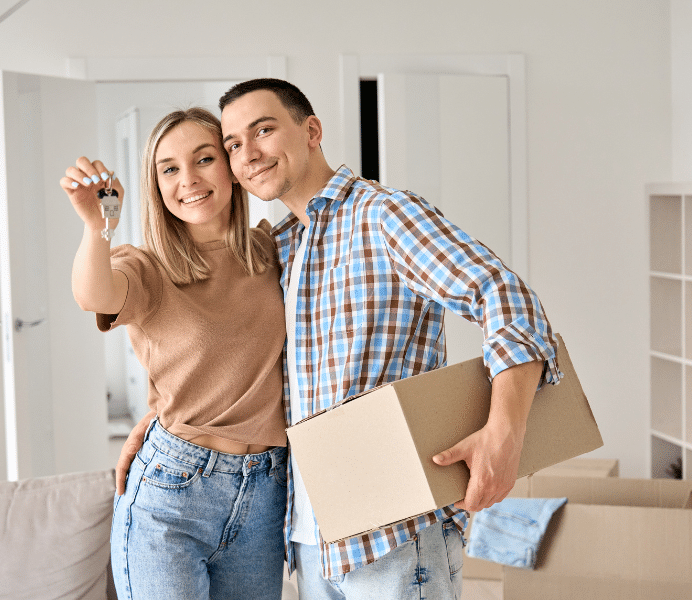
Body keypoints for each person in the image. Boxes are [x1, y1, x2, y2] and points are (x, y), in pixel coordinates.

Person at [120, 79, 561, 599]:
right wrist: (160, 419)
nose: (250, 153)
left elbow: (505, 298)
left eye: (264, 130)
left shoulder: (385, 216)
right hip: (310, 535)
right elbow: (237, 354)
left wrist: (503, 433)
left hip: (394, 531)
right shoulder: (278, 246)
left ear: (311, 131)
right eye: (234, 144)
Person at [60, 107, 289, 600]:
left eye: (204, 158)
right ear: (156, 184)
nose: (189, 179)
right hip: (173, 491)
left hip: (267, 491)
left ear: (231, 166)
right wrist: (98, 226)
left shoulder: (274, 251)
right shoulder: (148, 268)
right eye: (169, 168)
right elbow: (94, 296)